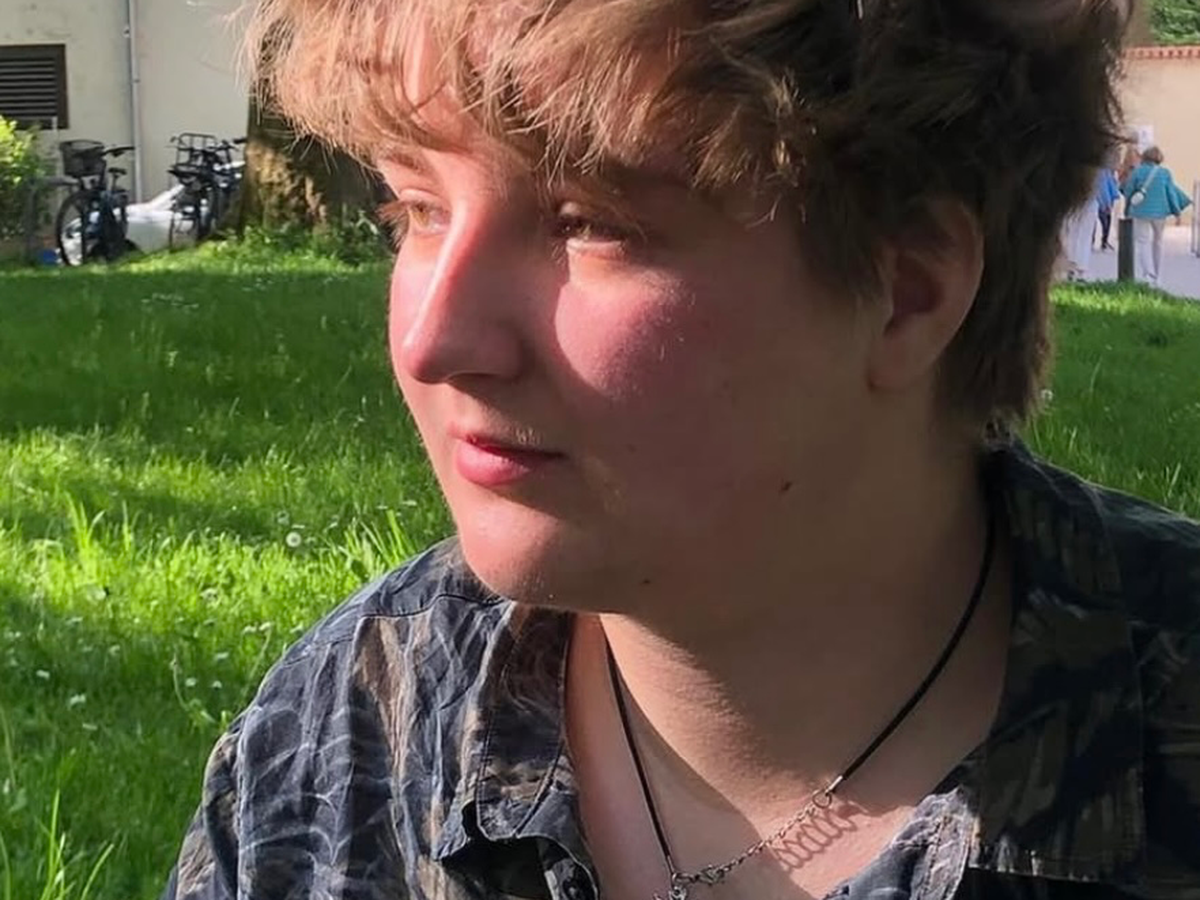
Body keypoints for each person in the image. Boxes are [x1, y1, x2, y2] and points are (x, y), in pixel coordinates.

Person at [163, 2, 1200, 900]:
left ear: (909, 290)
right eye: (418, 208)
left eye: (589, 222)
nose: (438, 339)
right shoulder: (347, 732)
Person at [1122, 145, 1193, 286]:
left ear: (1144, 157)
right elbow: (1171, 193)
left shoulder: (1137, 172)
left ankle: (1148, 274)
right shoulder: (1165, 173)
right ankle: (1158, 275)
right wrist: (1177, 211)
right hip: (1160, 213)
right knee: (1158, 241)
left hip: (1140, 211)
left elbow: (1128, 191)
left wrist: (1127, 208)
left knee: (1143, 241)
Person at [1095, 165, 1120, 251]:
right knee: (1106, 220)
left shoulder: (1105, 171)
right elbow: (1105, 187)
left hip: (1097, 200)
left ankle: (1097, 240)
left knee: (1100, 220)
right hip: (1102, 201)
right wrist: (1107, 202)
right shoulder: (1104, 171)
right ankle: (1104, 241)